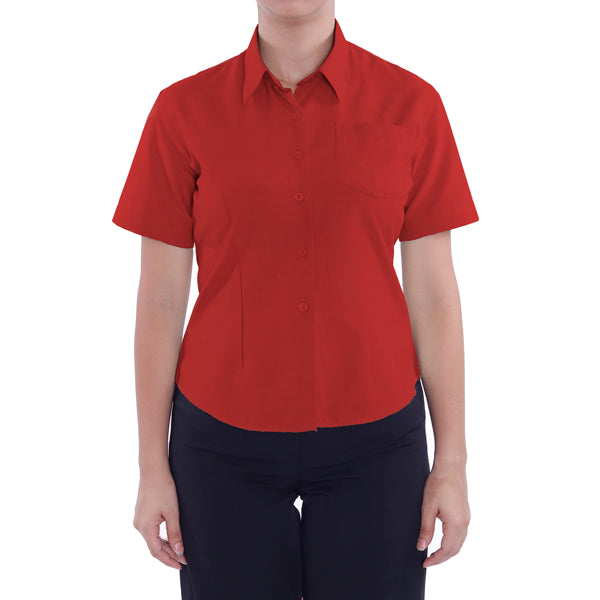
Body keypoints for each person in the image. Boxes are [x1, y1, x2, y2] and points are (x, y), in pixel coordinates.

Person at [112, 2, 478, 599]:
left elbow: (435, 295)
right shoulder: (182, 111)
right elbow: (159, 299)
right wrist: (152, 466)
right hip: (221, 441)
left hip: (378, 441)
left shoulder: (412, 105)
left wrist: (452, 463)